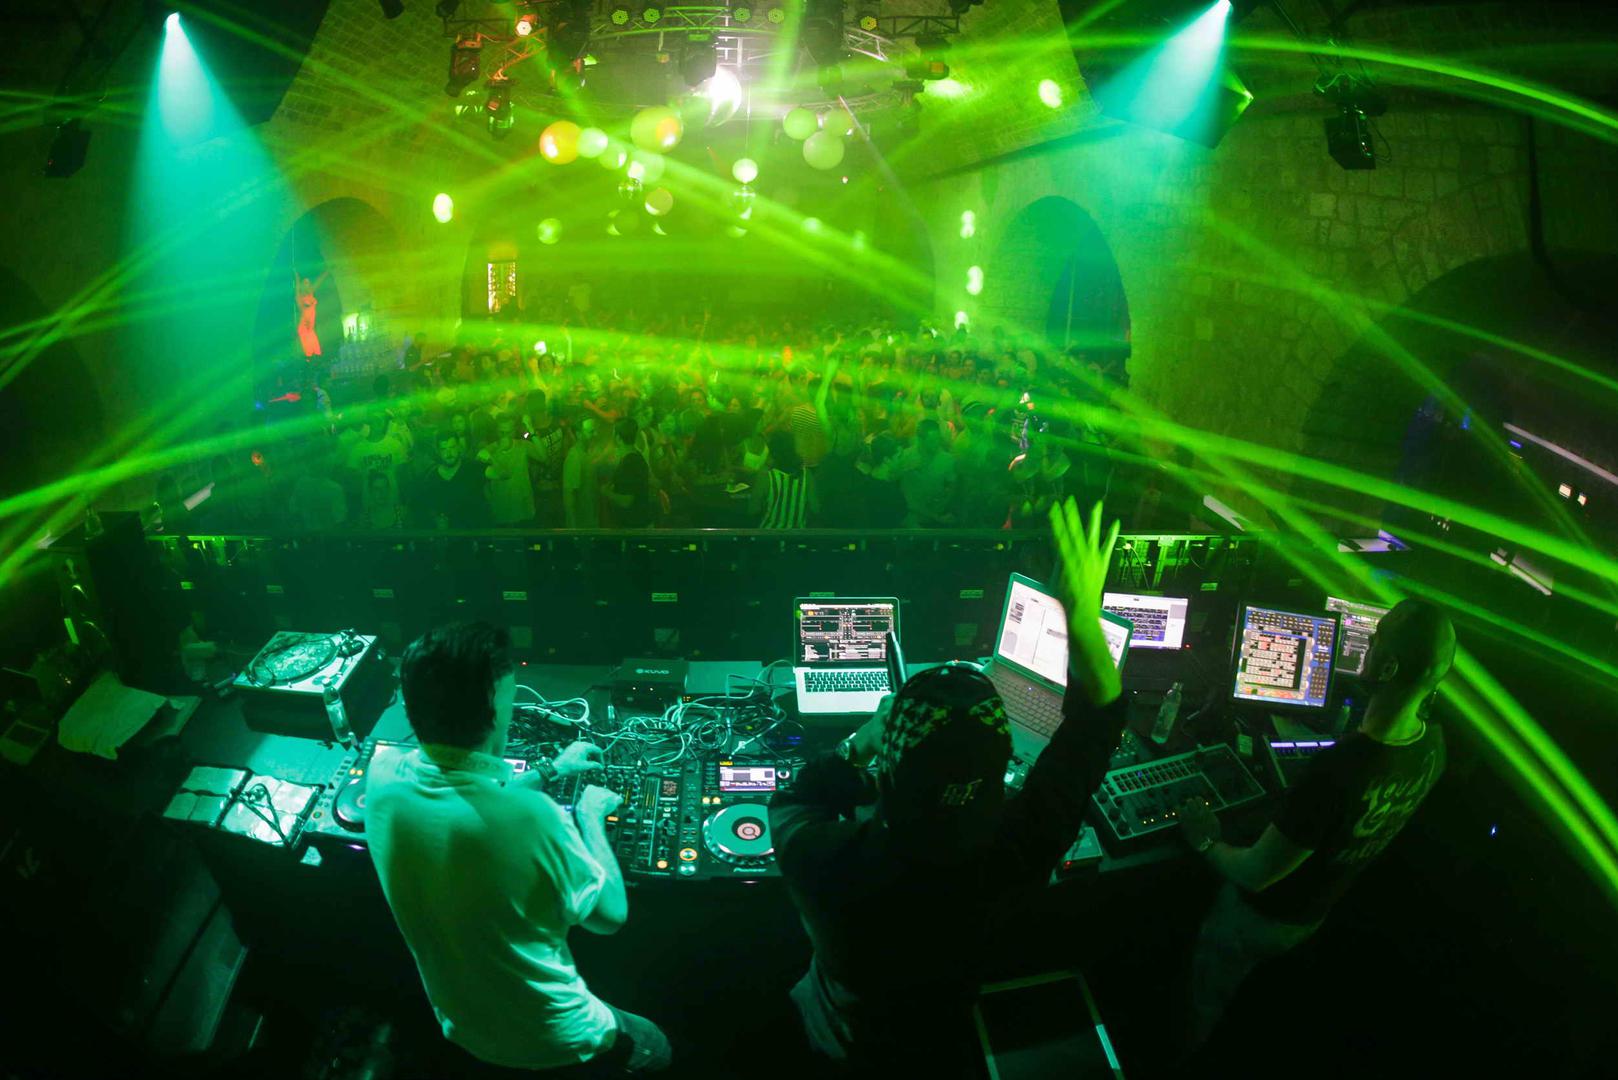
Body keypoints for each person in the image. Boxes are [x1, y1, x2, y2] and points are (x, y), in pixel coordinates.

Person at [769, 498, 1131, 1074]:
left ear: (885, 774)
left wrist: (861, 740)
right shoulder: (1024, 845)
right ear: (1004, 770)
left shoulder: (825, 859)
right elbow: (1097, 726)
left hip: (836, 1033)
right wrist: (1083, 622)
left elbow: (794, 799)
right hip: (943, 1031)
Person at [366, 622, 672, 1073]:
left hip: (459, 1025)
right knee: (656, 1047)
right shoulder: (532, 816)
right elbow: (610, 916)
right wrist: (589, 817)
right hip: (558, 1038)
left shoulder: (382, 776)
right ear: (494, 708)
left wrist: (550, 769)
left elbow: (466, 799)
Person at [1176, 598, 1456, 1053]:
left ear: (1387, 668)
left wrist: (1205, 839)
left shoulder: (1340, 769)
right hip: (1312, 919)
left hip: (1257, 921)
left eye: (1376, 638)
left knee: (1207, 1009)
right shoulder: (1434, 749)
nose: (1367, 644)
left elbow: (1254, 874)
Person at [411, 431, 487, 530]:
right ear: (438, 452)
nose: (449, 453)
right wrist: (436, 519)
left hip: (476, 532)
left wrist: (492, 452)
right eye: (444, 449)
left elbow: (502, 474)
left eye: (452, 447)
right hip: (449, 535)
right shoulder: (430, 477)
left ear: (459, 447)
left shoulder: (473, 467)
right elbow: (425, 506)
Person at [602, 418, 654, 528]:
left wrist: (606, 492)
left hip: (635, 527)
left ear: (618, 438)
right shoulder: (637, 456)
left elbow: (627, 501)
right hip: (641, 523)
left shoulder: (629, 463)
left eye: (613, 433)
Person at [294, 270, 328, 359]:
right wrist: (297, 279)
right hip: (305, 326)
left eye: (308, 283)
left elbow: (318, 282)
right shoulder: (300, 298)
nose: (308, 284)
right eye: (305, 283)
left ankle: (311, 359)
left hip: (310, 328)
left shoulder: (311, 293)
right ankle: (309, 359)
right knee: (311, 352)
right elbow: (297, 289)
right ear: (302, 285)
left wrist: (326, 272)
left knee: (316, 351)